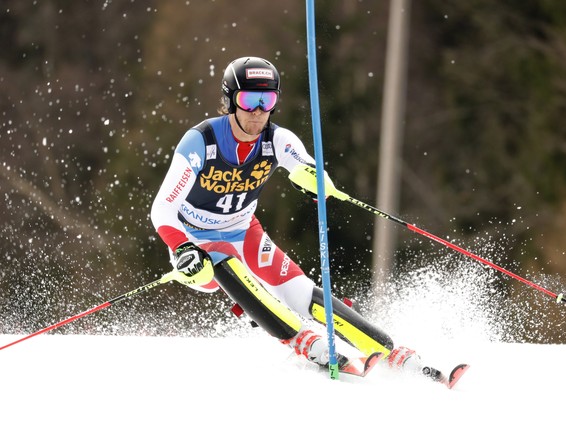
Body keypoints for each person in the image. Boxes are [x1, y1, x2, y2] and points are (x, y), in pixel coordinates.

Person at [150, 56, 453, 382]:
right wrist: (183, 248)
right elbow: (162, 208)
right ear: (229, 100)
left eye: (267, 101)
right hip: (197, 245)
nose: (257, 111)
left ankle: (390, 351)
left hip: (244, 231)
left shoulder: (277, 139)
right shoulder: (202, 141)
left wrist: (315, 181)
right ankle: (303, 341)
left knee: (298, 289)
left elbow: (305, 166)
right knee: (221, 252)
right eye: (248, 99)